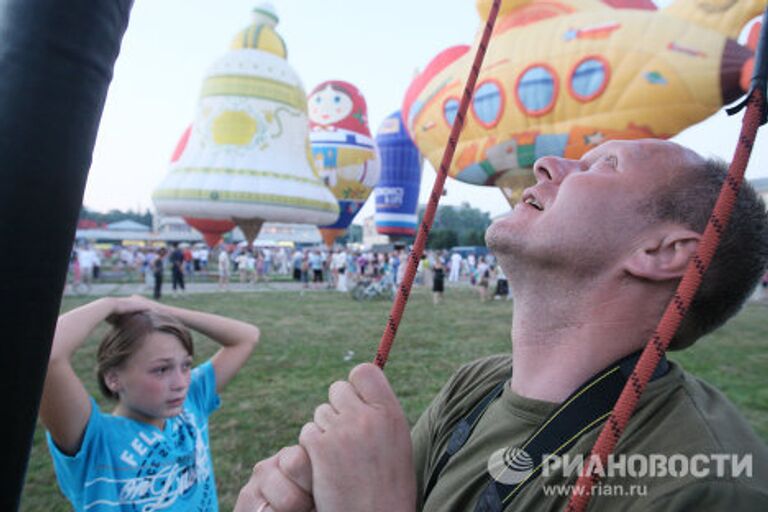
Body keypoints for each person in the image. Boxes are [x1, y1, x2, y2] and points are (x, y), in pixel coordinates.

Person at [235, 140, 768, 511]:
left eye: (604, 165)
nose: (546, 165)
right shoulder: (477, 386)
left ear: (663, 251)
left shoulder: (702, 481)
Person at [40, 295, 260, 511]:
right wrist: (111, 304)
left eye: (185, 366)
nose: (181, 383)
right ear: (113, 378)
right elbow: (46, 353)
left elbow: (247, 336)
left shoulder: (191, 403)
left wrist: (157, 309)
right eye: (161, 369)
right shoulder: (96, 441)